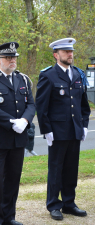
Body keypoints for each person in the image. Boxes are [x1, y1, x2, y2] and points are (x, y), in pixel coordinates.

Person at [0, 42, 36, 225]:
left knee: (13, 178)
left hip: (18, 138)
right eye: (8, 57)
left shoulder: (23, 79)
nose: (12, 61)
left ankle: (9, 216)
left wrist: (25, 121)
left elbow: (31, 105)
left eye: (14, 57)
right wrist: (12, 122)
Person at [36, 38, 91, 221]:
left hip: (74, 130)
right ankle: (53, 204)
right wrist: (47, 130)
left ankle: (69, 203)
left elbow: (83, 104)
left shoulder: (77, 74)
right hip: (57, 132)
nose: (70, 54)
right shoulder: (48, 75)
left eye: (71, 51)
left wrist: (84, 125)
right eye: (66, 52)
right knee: (56, 169)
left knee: (71, 169)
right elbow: (41, 106)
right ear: (56, 55)